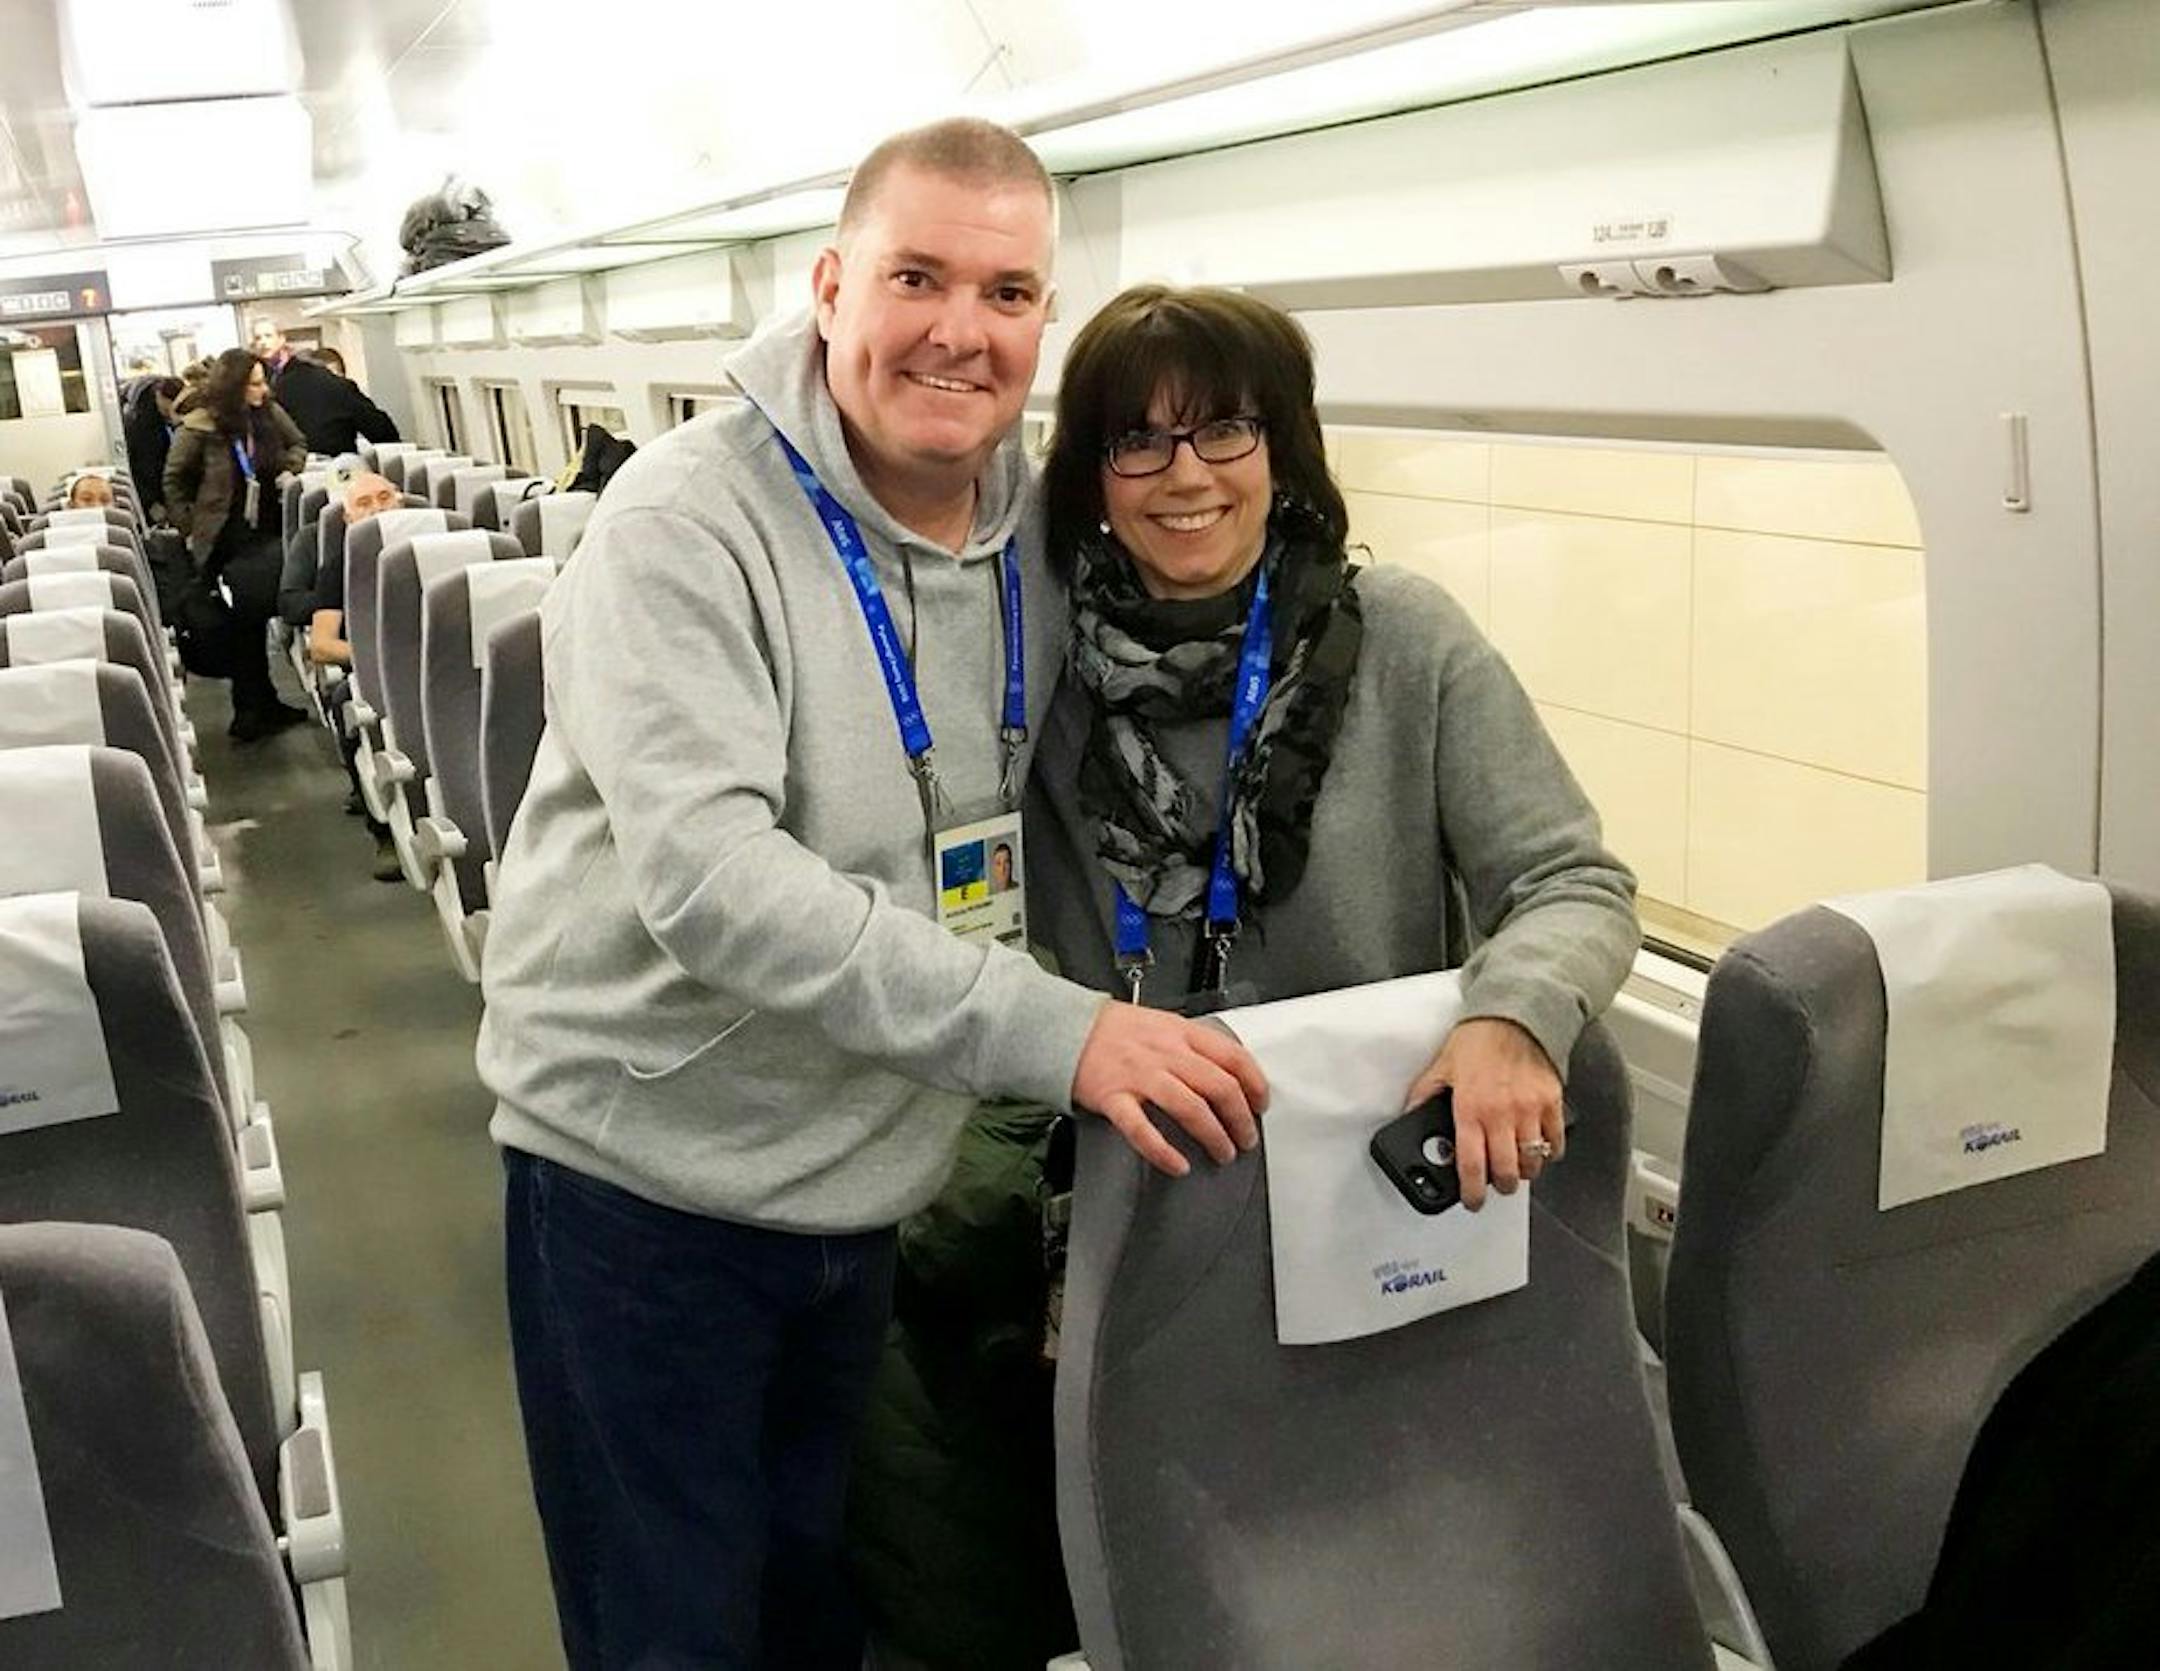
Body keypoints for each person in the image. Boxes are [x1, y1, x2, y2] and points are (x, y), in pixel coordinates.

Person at [475, 117, 1267, 1671]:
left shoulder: (1034, 531)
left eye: (1009, 291)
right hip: (644, 1184)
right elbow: (714, 885)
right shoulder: (683, 526)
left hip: (865, 1172)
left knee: (813, 1606)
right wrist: (1070, 1036)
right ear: (832, 287)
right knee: (674, 1630)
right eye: (918, 276)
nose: (962, 330)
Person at [1031, 283, 1641, 1205]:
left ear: (1281, 449)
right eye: (1139, 441)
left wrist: (1515, 1013)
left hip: (1377, 1166)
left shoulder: (1402, 634)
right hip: (1142, 1183)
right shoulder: (1040, 669)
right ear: (1093, 477)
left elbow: (1574, 885)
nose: (1186, 475)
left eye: (1225, 428)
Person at [163, 347, 310, 740]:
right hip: (222, 537)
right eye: (255, 384)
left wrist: (287, 468)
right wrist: (190, 528)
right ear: (235, 387)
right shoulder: (198, 427)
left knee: (254, 619)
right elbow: (174, 481)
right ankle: (251, 709)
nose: (263, 390)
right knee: (240, 622)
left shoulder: (268, 415)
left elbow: (298, 444)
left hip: (264, 528)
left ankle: (258, 704)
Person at [305, 471, 406, 881]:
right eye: (364, 503)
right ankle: (381, 829)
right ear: (348, 521)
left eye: (385, 497)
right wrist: (378, 658)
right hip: (374, 669)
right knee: (347, 697)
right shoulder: (339, 568)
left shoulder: (437, 550)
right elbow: (322, 645)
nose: (378, 507)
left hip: (435, 671)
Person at [252, 323, 400, 456]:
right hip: (341, 467)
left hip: (295, 468)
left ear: (281, 339)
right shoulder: (335, 386)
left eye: (268, 336)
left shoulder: (274, 387)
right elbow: (383, 432)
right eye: (258, 338)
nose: (263, 343)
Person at [123, 377, 182, 519]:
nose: (173, 410)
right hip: (151, 496)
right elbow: (137, 467)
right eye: (171, 405)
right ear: (160, 397)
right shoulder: (139, 426)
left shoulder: (169, 422)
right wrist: (150, 502)